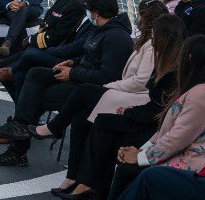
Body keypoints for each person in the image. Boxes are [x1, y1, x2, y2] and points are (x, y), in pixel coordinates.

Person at [0, 0, 134, 167]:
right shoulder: (101, 30)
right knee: (35, 73)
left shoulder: (116, 38)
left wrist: (72, 73)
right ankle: (20, 126)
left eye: (89, 10)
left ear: (96, 12)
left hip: (89, 88)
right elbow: (89, 56)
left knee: (38, 96)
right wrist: (71, 63)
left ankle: (18, 150)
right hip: (79, 75)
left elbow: (107, 76)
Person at [49, 12, 184, 198]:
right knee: (98, 118)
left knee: (100, 119)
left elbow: (156, 109)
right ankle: (87, 184)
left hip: (154, 126)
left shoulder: (172, 71)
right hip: (148, 116)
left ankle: (88, 184)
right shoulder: (168, 64)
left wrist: (128, 113)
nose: (153, 40)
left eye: (155, 36)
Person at [25, 0, 166, 163]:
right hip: (123, 88)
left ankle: (52, 128)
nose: (137, 20)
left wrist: (108, 86)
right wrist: (75, 64)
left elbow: (140, 81)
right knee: (78, 110)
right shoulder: (143, 40)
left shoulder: (149, 45)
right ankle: (74, 172)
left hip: (135, 95)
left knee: (81, 91)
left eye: (140, 16)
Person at [107, 35, 205, 200]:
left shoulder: (203, 93)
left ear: (190, 58)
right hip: (179, 155)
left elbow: (177, 138)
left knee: (130, 171)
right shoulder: (198, 89)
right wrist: (141, 150)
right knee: (126, 169)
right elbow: (167, 131)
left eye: (182, 55)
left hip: (191, 163)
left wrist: (140, 156)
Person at [0, 0, 89, 99]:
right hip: (44, 46)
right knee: (1, 64)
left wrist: (31, 40)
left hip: (55, 52)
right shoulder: (63, 0)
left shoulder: (75, 4)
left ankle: (23, 117)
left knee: (19, 72)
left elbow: (58, 36)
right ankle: (19, 112)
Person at [117, 122, 205, 200]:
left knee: (149, 176)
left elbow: (176, 138)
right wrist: (141, 152)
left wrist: (140, 156)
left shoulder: (202, 95)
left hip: (201, 168)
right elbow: (165, 129)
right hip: (201, 168)